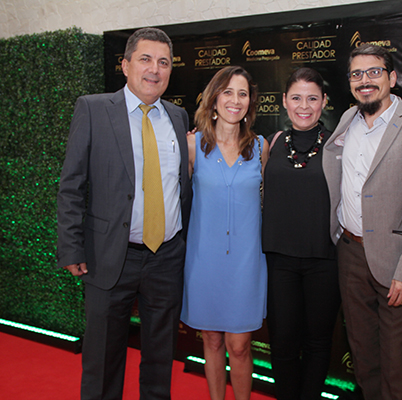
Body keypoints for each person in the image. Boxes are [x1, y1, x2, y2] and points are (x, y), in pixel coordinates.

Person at [57, 27, 192, 400]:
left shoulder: (178, 117)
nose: (154, 69)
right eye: (145, 59)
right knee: (103, 359)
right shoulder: (93, 109)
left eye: (163, 62)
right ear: (126, 64)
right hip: (109, 255)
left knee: (160, 358)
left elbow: (181, 186)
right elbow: (72, 184)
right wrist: (71, 247)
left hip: (166, 257)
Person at [322, 44, 402, 400]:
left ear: (391, 78)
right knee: (363, 359)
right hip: (350, 254)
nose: (365, 81)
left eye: (374, 72)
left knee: (394, 366)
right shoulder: (347, 120)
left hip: (396, 261)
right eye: (357, 74)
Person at [181, 66, 269, 400]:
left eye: (242, 93)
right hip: (205, 260)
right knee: (212, 340)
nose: (235, 100)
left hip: (246, 262)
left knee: (240, 344)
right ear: (214, 99)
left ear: (250, 102)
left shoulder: (260, 147)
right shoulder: (193, 146)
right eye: (227, 92)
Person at [262, 67, 340, 400]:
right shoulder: (272, 143)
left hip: (324, 260)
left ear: (324, 101)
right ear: (284, 101)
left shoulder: (339, 145)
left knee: (318, 344)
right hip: (279, 260)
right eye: (296, 98)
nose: (303, 106)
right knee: (281, 343)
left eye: (312, 98)